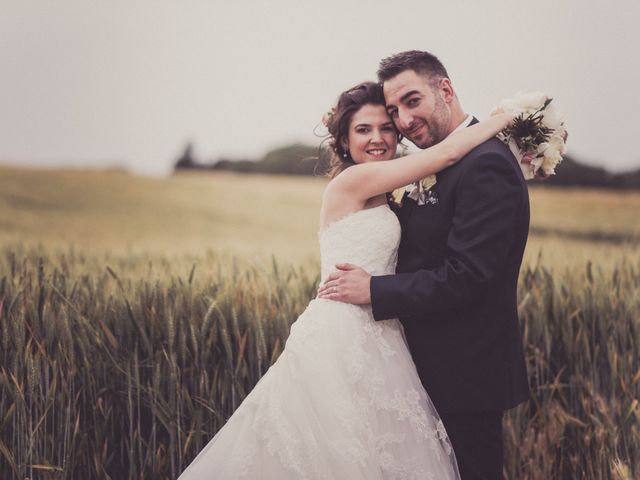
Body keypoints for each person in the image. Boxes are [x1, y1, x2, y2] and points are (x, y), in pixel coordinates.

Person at [178, 81, 514, 480]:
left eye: (386, 128)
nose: (378, 138)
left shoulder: (388, 187)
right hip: (341, 335)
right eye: (363, 130)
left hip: (383, 332)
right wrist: (511, 118)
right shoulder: (352, 183)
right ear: (343, 140)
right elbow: (450, 151)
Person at [318, 51, 531, 479]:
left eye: (409, 103)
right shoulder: (413, 168)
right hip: (395, 360)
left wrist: (374, 291)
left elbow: (469, 275)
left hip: (464, 375)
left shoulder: (483, 162)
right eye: (392, 110)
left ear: (446, 90)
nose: (400, 121)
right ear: (344, 140)